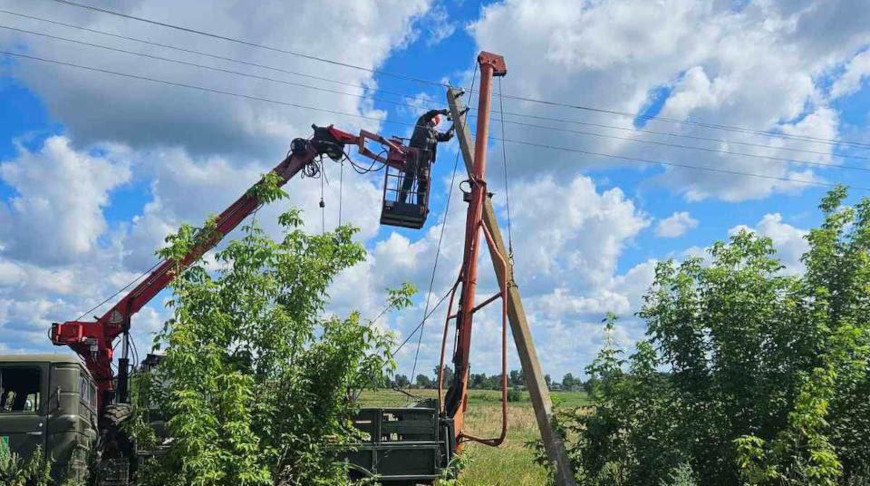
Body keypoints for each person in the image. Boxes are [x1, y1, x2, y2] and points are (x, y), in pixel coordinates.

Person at [399, 108, 454, 204]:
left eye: (435, 123)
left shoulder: (434, 134)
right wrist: (441, 111)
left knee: (424, 182)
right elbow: (430, 113)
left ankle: (421, 205)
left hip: (425, 161)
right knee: (409, 178)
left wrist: (454, 127)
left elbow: (445, 137)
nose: (433, 123)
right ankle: (401, 202)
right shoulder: (422, 122)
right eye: (433, 121)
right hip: (414, 155)